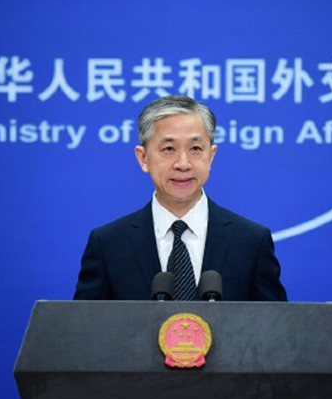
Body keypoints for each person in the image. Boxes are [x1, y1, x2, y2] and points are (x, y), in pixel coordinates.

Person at [73, 95, 287, 301]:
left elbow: (275, 322)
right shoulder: (108, 244)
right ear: (143, 158)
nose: (183, 164)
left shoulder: (251, 241)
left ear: (211, 156)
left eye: (195, 148)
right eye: (169, 149)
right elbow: (86, 323)